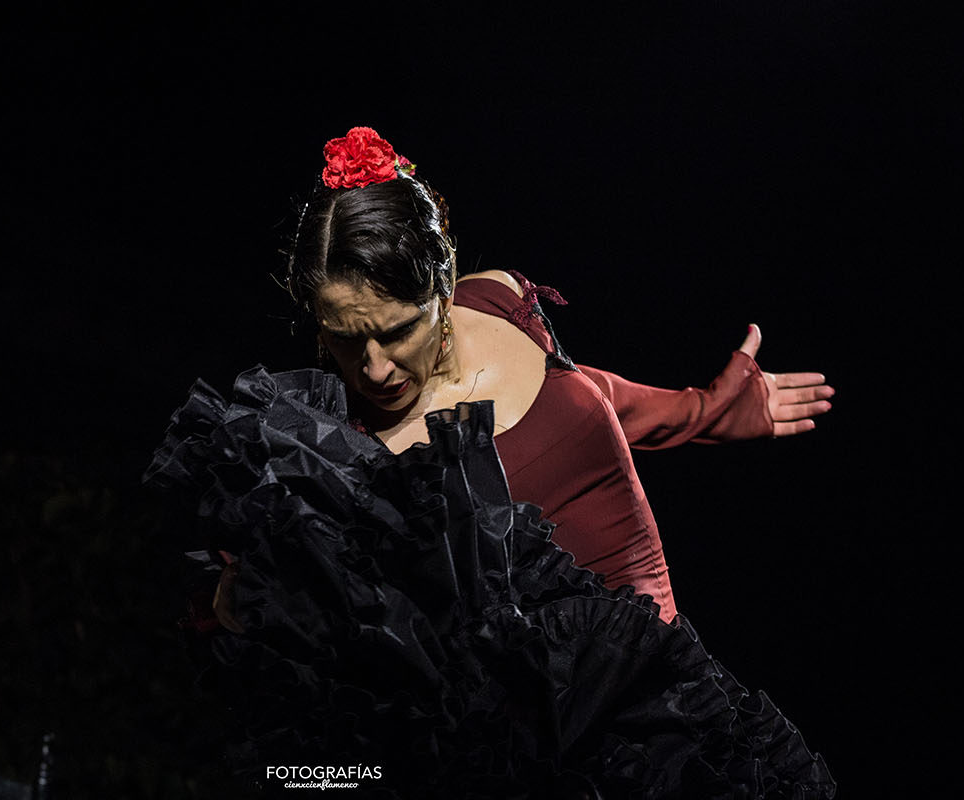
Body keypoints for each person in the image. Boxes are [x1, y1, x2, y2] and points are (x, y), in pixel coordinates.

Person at [145, 127, 836, 798]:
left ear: (444, 285)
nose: (375, 367)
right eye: (344, 339)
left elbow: (583, 400)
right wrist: (251, 603)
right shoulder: (343, 455)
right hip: (557, 752)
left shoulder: (499, 300)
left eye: (397, 331)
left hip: (674, 708)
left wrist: (704, 410)